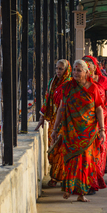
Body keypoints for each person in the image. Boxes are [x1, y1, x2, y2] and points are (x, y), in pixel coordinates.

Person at [51, 59, 105, 202]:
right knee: (71, 160)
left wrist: (102, 129)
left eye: (79, 70)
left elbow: (99, 108)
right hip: (70, 131)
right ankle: (69, 189)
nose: (75, 73)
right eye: (74, 70)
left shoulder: (93, 88)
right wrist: (55, 129)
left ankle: (81, 193)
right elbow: (61, 108)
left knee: (86, 162)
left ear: (87, 72)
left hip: (88, 132)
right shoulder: (67, 87)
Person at [82, 55, 107, 193]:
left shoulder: (101, 80)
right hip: (84, 123)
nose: (86, 67)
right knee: (86, 153)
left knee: (99, 152)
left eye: (89, 64)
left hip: (101, 121)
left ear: (94, 66)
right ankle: (84, 181)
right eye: (84, 65)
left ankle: (94, 181)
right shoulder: (80, 81)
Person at [35, 59, 72, 187]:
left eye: (61, 69)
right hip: (53, 122)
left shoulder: (70, 84)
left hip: (66, 121)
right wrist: (41, 119)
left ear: (66, 70)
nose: (58, 71)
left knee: (61, 150)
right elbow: (47, 99)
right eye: (56, 68)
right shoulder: (52, 82)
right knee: (52, 150)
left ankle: (57, 177)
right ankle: (57, 175)